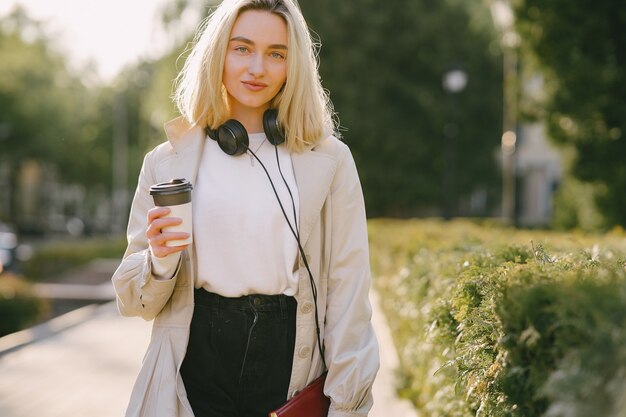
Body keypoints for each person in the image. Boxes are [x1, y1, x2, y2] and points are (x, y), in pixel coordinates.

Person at [112, 0, 379, 416]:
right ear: (218, 54)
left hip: (290, 359)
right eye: (242, 48)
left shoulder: (329, 161)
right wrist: (161, 261)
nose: (257, 67)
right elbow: (132, 302)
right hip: (195, 360)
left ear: (294, 66)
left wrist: (346, 403)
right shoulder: (167, 162)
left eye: (276, 54)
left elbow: (348, 291)